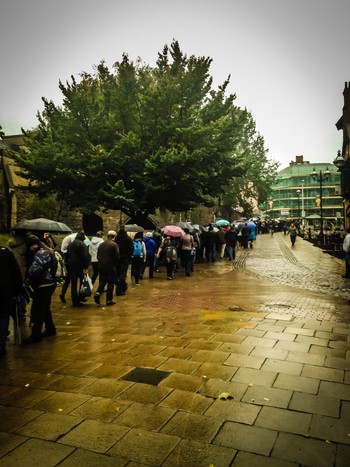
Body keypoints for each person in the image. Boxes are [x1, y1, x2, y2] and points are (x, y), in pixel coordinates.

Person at [23, 235, 57, 344]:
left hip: (44, 284)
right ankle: (50, 329)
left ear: (35, 244)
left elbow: (35, 270)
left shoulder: (41, 253)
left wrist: (28, 281)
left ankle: (36, 334)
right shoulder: (48, 251)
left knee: (38, 309)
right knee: (45, 307)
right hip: (49, 283)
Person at [0, 245, 23, 355]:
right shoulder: (6, 252)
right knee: (3, 317)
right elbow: (16, 271)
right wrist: (17, 290)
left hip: (6, 291)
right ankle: (1, 344)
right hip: (5, 291)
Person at [94, 230, 120, 306]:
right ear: (114, 237)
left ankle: (98, 293)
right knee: (111, 282)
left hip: (101, 266)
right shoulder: (114, 245)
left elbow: (98, 255)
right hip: (110, 266)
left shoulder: (101, 244)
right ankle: (109, 300)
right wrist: (115, 265)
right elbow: (117, 257)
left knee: (103, 281)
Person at [65, 232, 90, 307]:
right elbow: (85, 256)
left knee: (73, 283)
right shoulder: (82, 245)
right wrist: (86, 266)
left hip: (72, 266)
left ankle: (74, 300)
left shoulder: (70, 244)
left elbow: (67, 256)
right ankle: (81, 297)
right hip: (80, 266)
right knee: (82, 282)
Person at [115, 226, 134, 296]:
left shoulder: (116, 239)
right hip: (125, 258)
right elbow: (132, 249)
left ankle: (123, 286)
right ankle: (119, 290)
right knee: (123, 274)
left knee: (118, 273)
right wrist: (129, 256)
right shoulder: (128, 239)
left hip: (117, 258)